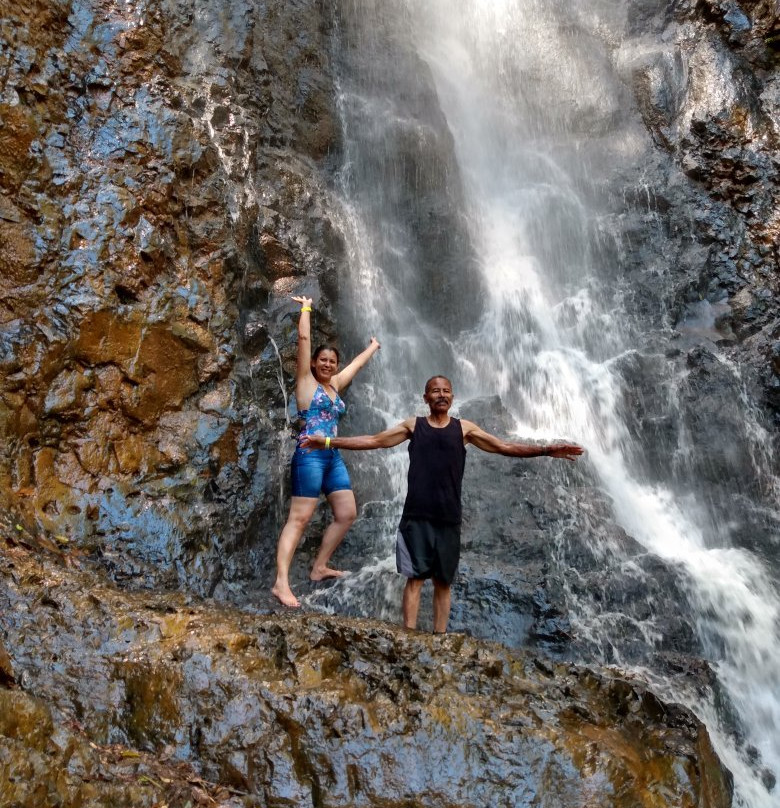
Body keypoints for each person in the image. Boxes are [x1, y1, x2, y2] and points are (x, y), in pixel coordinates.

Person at [300, 375, 584, 632]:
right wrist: (327, 442)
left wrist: (546, 450)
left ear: (453, 397)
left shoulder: (464, 429)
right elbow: (374, 440)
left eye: (446, 391)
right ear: (426, 398)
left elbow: (505, 447)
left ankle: (440, 638)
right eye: (435, 391)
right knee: (414, 579)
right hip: (416, 516)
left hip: (449, 518)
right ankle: (408, 636)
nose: (441, 395)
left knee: (443, 582)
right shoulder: (414, 426)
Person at [271, 295, 380, 608]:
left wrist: (373, 347)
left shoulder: (335, 385)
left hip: (332, 456)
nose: (328, 364)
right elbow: (304, 340)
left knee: (346, 513)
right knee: (300, 518)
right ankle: (281, 583)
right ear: (314, 363)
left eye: (333, 361)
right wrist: (306, 308)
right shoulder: (306, 382)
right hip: (309, 455)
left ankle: (319, 566)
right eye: (323, 360)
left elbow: (356, 365)